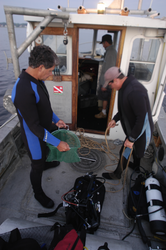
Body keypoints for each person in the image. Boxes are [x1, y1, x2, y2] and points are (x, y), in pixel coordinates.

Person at [12, 45, 70, 208]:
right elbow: (34, 127)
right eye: (50, 70)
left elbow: (45, 106)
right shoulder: (23, 90)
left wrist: (56, 119)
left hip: (44, 127)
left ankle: (46, 162)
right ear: (41, 67)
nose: (51, 74)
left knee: (46, 152)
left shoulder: (37, 79)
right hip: (33, 134)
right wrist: (57, 143)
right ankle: (38, 193)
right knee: (36, 165)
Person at [102, 67, 154, 180]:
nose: (111, 87)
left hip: (141, 131)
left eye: (110, 85)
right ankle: (136, 166)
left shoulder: (135, 91)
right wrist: (115, 119)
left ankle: (117, 174)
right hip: (134, 129)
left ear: (115, 80)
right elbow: (124, 109)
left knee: (125, 151)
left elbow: (141, 119)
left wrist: (131, 139)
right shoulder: (124, 87)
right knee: (134, 151)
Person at [95, 34, 117, 119]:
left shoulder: (111, 52)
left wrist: (105, 84)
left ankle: (104, 112)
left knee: (105, 96)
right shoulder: (109, 51)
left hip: (107, 81)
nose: (103, 46)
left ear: (106, 42)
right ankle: (103, 110)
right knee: (103, 96)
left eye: (103, 44)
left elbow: (110, 70)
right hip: (106, 80)